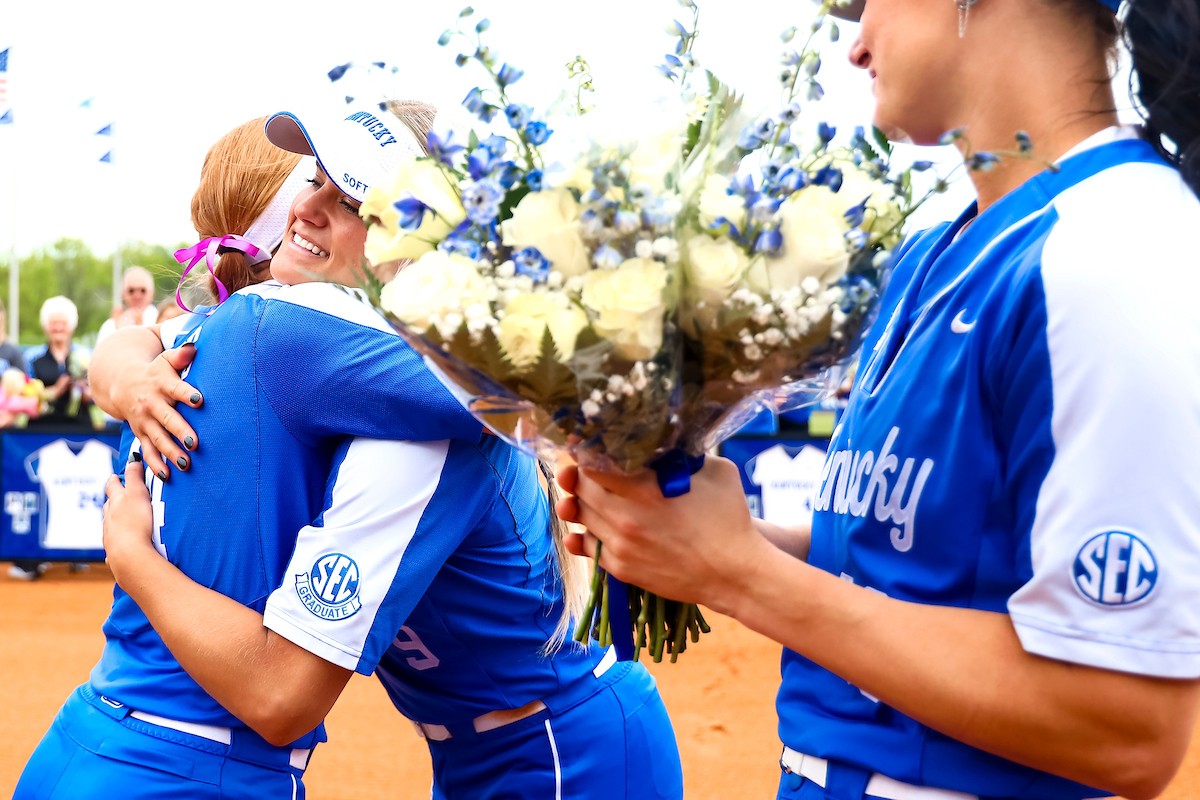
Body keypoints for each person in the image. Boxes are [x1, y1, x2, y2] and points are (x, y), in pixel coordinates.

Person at [556, 2, 1200, 800]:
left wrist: (739, 571)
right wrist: (701, 539)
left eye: (865, 5)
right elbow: (909, 564)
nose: (855, 45)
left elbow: (1125, 727)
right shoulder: (943, 249)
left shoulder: (1111, 250)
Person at [17, 105, 682, 800]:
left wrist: (130, 553)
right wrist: (121, 371)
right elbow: (148, 341)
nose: (307, 209)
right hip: (478, 748)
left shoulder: (389, 389)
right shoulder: (261, 333)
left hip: (560, 753)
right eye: (314, 182)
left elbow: (551, 382)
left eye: (352, 201)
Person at [25, 296, 92, 426]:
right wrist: (52, 392)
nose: (58, 327)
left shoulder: (86, 355)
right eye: (53, 323)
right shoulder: (31, 357)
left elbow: (97, 396)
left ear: (72, 325)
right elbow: (25, 397)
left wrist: (84, 393)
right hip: (40, 429)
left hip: (80, 429)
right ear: (45, 325)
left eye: (63, 323)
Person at [95, 267, 158, 344]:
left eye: (142, 290)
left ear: (152, 292)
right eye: (131, 291)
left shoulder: (163, 320)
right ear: (123, 293)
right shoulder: (111, 325)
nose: (137, 295)